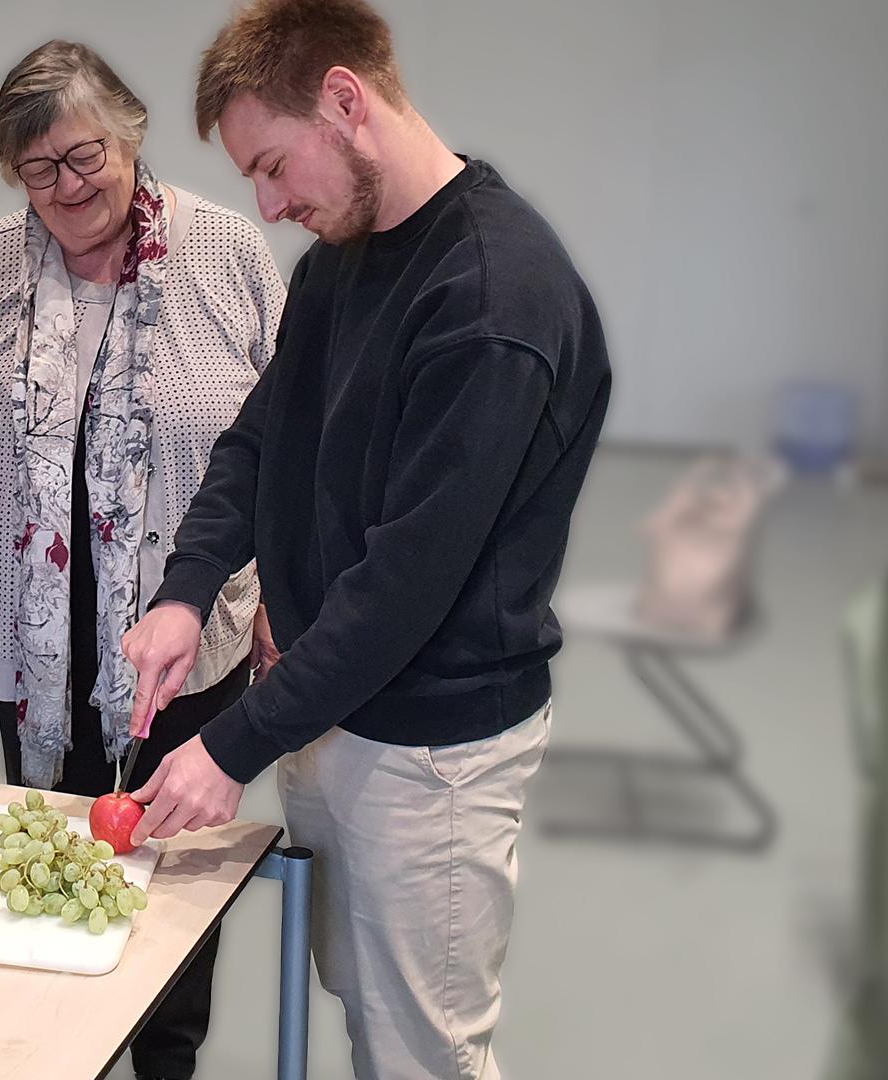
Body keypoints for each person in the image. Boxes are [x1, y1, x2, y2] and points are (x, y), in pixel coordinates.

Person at [122, 2, 613, 1077]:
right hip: (336, 715)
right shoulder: (342, 258)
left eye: (272, 164)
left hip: (429, 758)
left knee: (419, 1052)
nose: (268, 202)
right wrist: (185, 589)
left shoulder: (490, 298)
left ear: (345, 101)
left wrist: (233, 744)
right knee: (366, 1008)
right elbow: (259, 437)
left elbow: (405, 585)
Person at [0, 41, 284, 1080]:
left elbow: (286, 444)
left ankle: (164, 1061)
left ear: (130, 135)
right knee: (50, 860)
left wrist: (279, 597)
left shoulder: (226, 253)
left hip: (186, 637)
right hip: (31, 643)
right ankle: (58, 1052)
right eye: (36, 169)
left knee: (170, 881)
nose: (66, 186)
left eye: (83, 155)